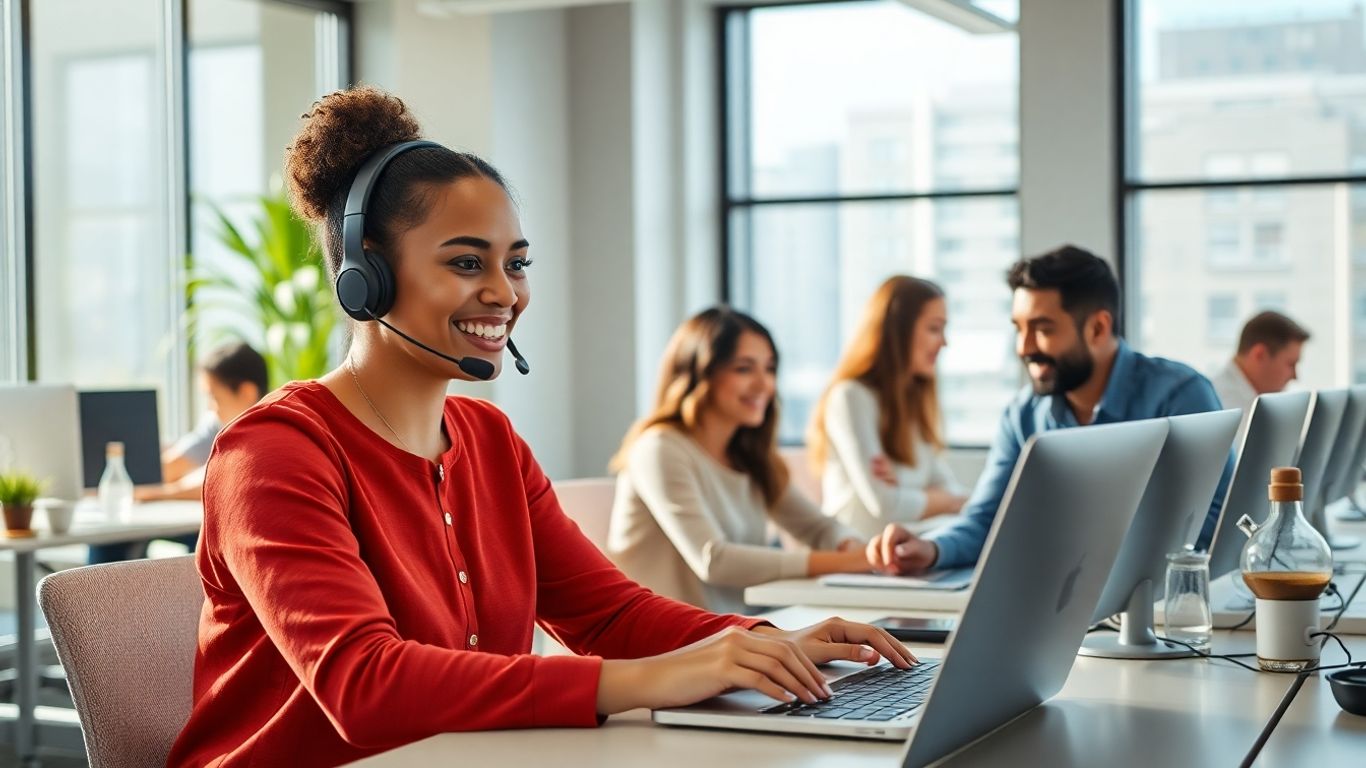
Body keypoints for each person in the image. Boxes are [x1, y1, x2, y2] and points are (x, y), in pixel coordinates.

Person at [168, 86, 914, 768]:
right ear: (368, 276)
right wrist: (656, 678)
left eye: (515, 264)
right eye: (467, 263)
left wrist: (759, 644)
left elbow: (609, 614)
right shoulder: (273, 453)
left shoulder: (489, 442)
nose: (503, 293)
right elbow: (366, 685)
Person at [866, 245, 1232, 577]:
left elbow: (1212, 518)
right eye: (1018, 328)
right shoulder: (1022, 415)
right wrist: (931, 548)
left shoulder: (1181, 396)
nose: (1024, 347)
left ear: (1098, 327)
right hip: (1061, 600)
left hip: (1168, 603)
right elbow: (989, 520)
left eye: (1042, 329)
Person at [607, 307, 899, 614]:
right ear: (699, 375)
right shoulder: (659, 448)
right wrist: (846, 562)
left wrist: (854, 547)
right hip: (669, 646)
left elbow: (817, 527)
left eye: (770, 369)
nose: (764, 385)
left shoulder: (749, 456)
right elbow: (714, 561)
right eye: (744, 369)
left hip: (733, 635)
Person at [806, 276, 967, 538]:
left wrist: (911, 495)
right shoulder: (850, 397)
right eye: (934, 328)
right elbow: (886, 505)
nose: (944, 342)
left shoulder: (911, 405)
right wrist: (941, 499)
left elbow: (953, 491)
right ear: (899, 331)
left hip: (895, 557)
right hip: (851, 559)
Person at [86, 341, 267, 564]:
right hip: (209, 520)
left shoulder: (270, 428)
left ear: (247, 392)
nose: (210, 407)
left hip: (246, 528)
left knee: (206, 538)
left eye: (214, 397)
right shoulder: (218, 422)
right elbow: (170, 467)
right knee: (111, 539)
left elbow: (220, 484)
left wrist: (162, 493)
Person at [1210, 310, 1310, 417]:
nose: (1295, 376)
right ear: (1259, 355)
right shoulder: (1219, 406)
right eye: (1291, 364)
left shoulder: (1260, 402)